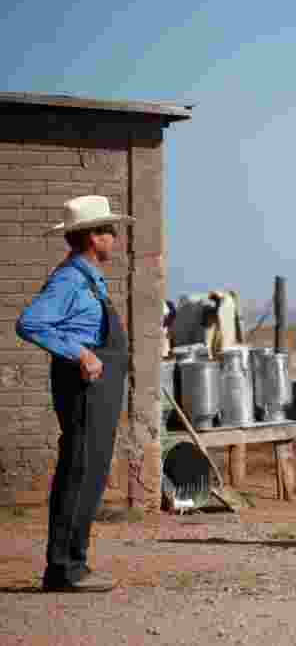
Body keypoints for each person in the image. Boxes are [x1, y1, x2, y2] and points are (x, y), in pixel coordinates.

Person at [16, 195, 134, 592]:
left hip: (100, 388)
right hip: (83, 388)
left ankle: (75, 564)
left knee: (91, 474)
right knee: (79, 472)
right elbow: (30, 323)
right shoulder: (69, 279)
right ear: (91, 237)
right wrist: (80, 352)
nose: (115, 237)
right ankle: (63, 568)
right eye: (109, 231)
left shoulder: (90, 279)